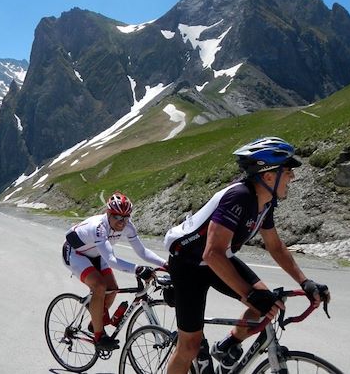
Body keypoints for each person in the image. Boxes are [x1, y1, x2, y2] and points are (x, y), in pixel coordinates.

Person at [164, 137, 330, 374]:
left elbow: (275, 246)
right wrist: (249, 294)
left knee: (268, 303)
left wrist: (305, 282)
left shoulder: (266, 202)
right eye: (288, 170)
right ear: (269, 176)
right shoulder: (239, 197)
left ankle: (227, 345)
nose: (292, 176)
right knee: (188, 347)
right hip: (188, 264)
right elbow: (212, 253)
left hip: (218, 259)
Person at [62, 191, 167, 351]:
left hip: (97, 254)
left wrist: (165, 264)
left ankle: (94, 322)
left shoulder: (128, 226)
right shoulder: (99, 228)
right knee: (99, 286)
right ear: (108, 213)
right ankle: (99, 336)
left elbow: (142, 251)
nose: (122, 222)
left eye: (126, 217)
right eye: (117, 217)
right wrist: (138, 269)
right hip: (76, 253)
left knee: (113, 289)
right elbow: (112, 260)